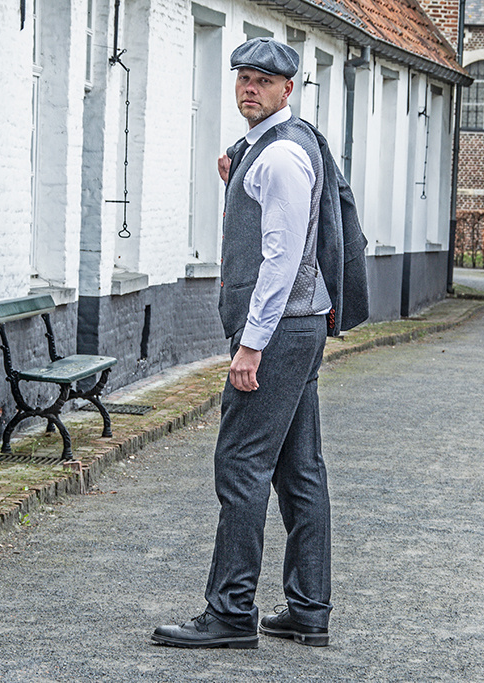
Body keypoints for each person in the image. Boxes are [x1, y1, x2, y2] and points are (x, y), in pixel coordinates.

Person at [152, 37, 346, 649]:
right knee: (299, 469)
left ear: (288, 88)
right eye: (242, 78)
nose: (248, 88)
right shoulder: (275, 147)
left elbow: (280, 259)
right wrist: (234, 174)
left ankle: (232, 612)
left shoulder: (281, 158)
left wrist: (252, 346)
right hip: (302, 325)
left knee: (240, 465)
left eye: (263, 80)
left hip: (280, 331)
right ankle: (309, 609)